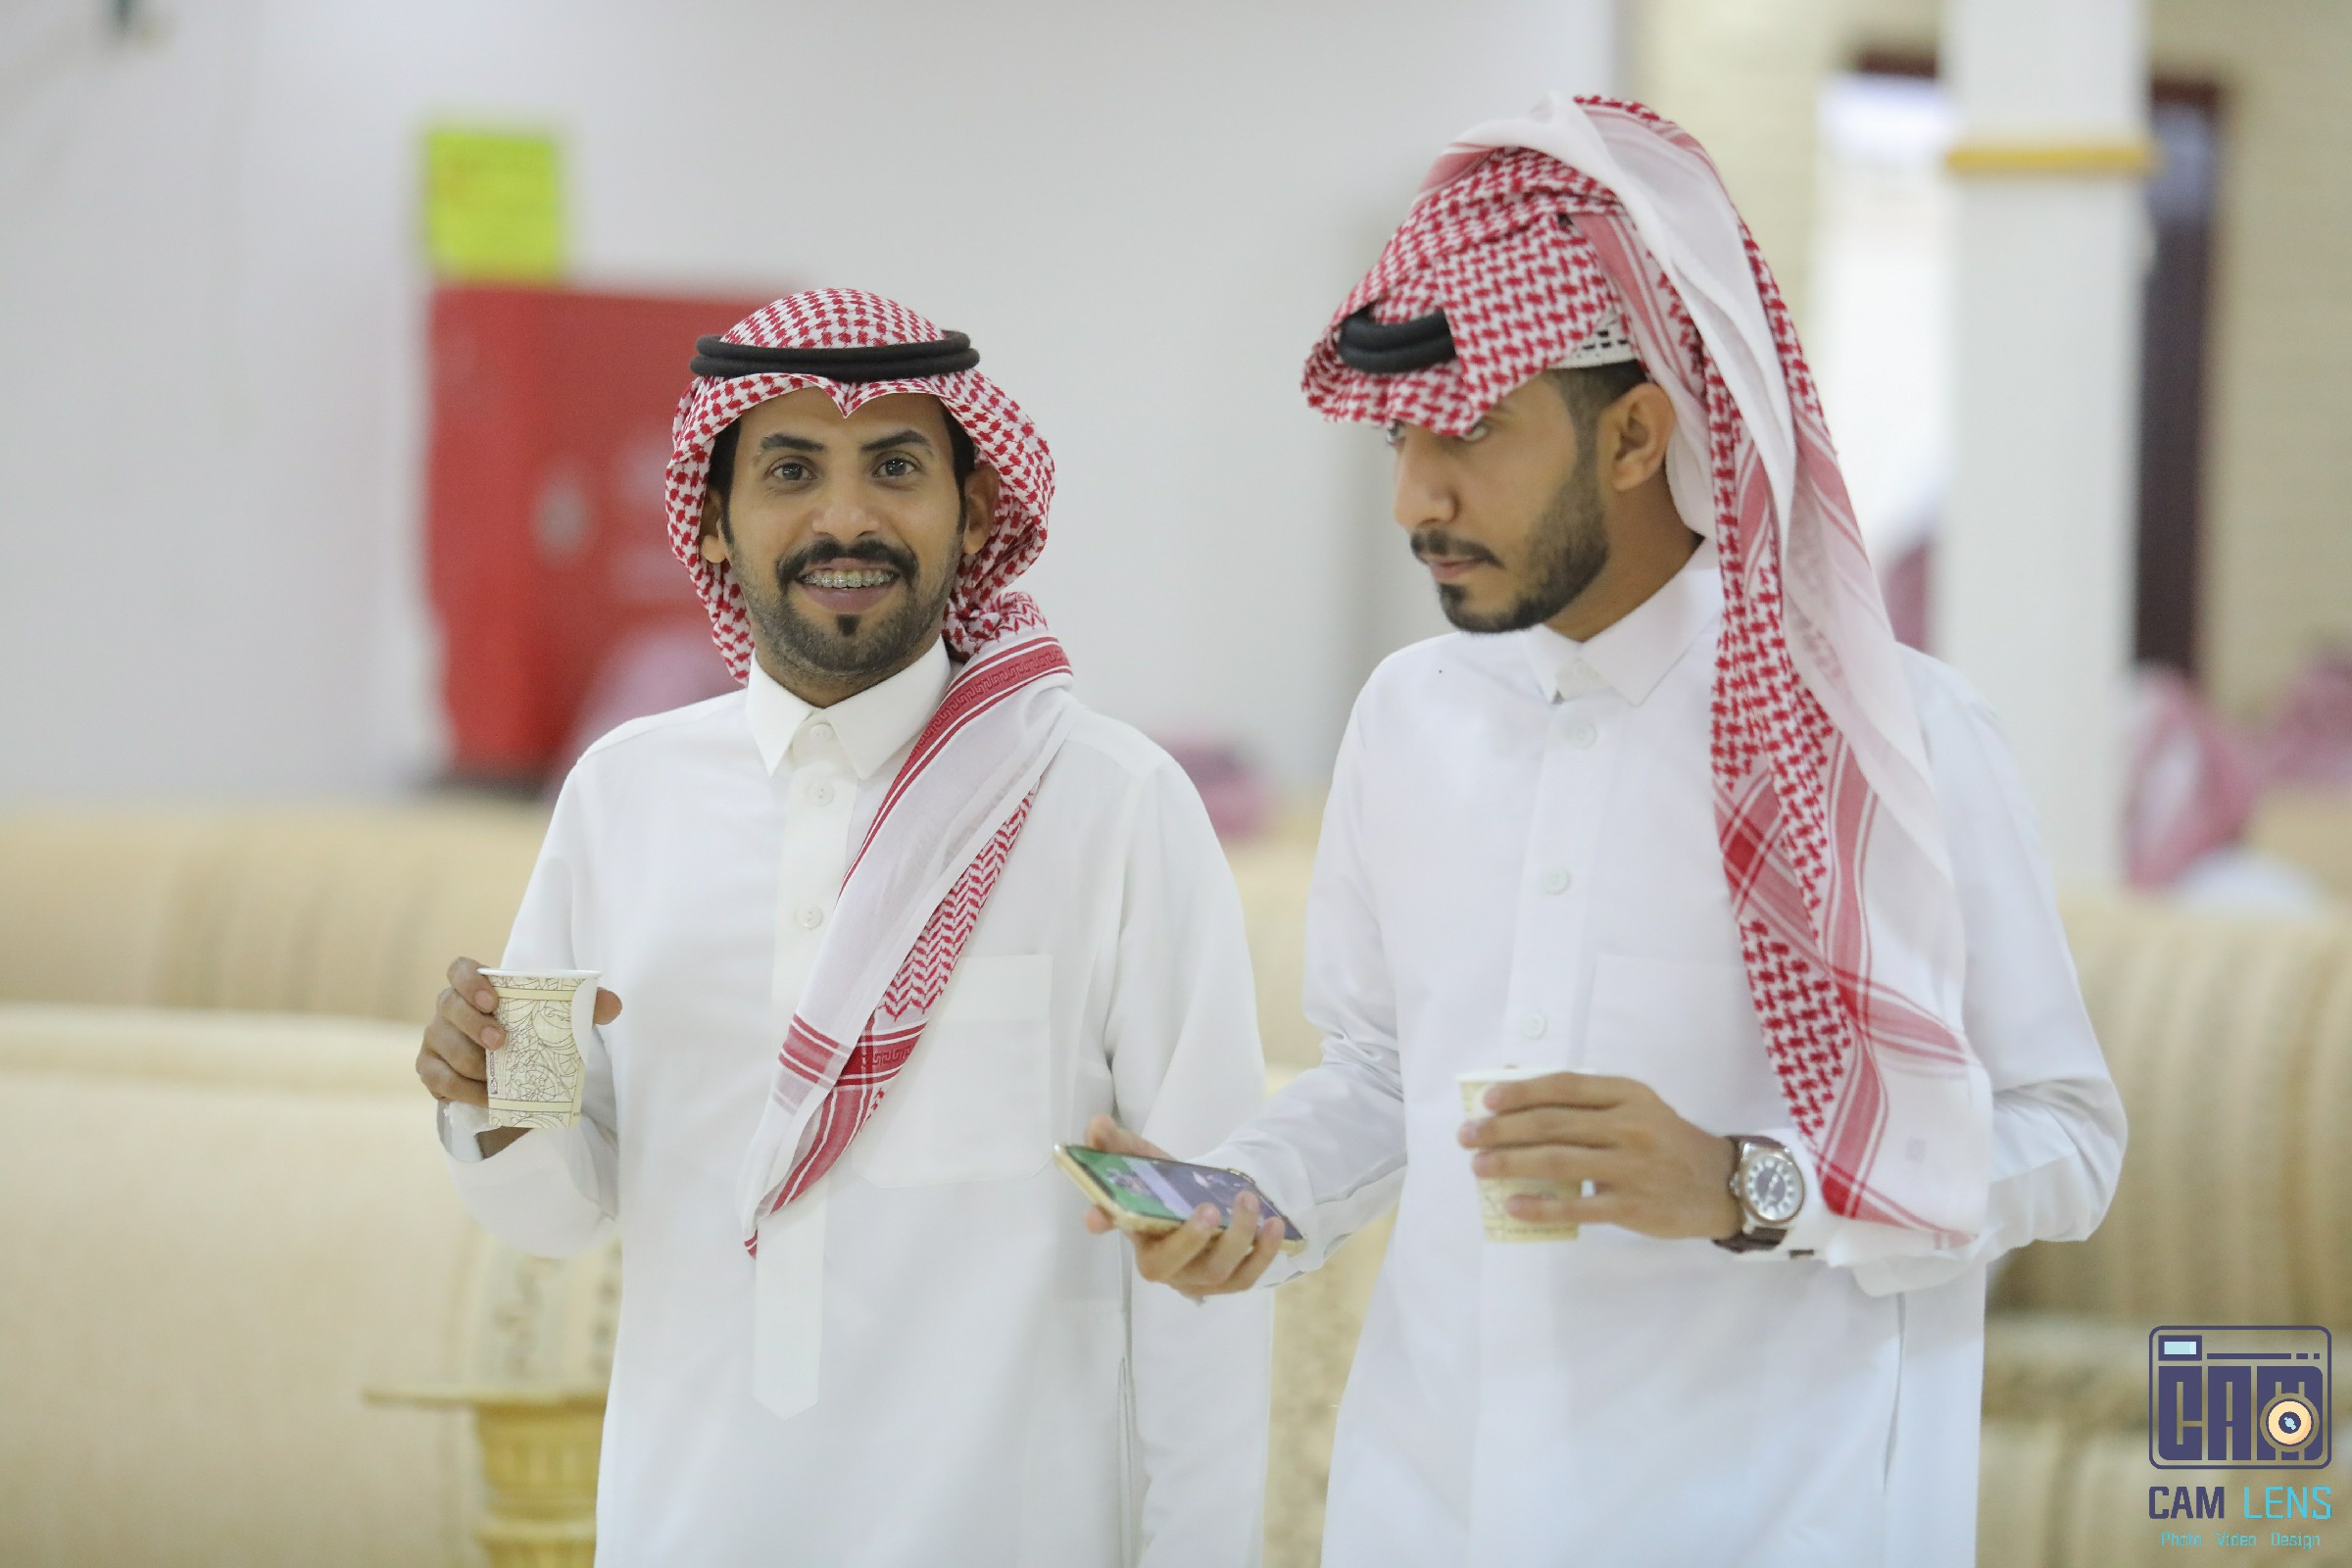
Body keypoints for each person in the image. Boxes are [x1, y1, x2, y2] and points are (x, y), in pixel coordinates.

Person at [1083, 97, 2125, 1566]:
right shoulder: (1411, 717)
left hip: (1765, 1520)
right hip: (1428, 1511)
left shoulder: (1894, 743)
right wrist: (1251, 1197)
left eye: (1469, 432)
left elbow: (2067, 1141)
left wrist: (1746, 1185)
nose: (1415, 497)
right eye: (1401, 437)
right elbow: (1385, 1076)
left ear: (1636, 433)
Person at [416, 289, 1272, 1566]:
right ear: (714, 518)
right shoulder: (624, 796)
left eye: (895, 468)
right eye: (791, 471)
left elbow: (1208, 1249)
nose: (845, 518)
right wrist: (491, 1101)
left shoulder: (1110, 805)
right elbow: (554, 1212)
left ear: (974, 508)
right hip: (690, 1527)